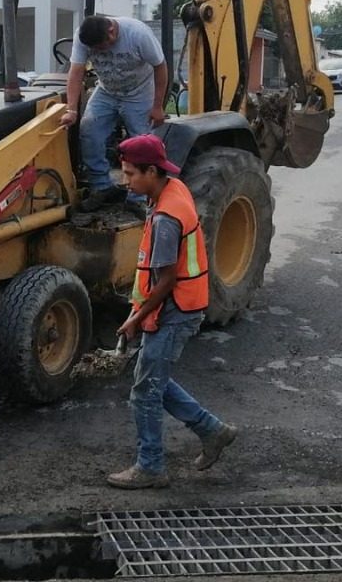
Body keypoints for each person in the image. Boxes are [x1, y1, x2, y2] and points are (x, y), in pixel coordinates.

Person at [108, 134, 237, 489]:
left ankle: (150, 467)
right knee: (153, 381)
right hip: (181, 304)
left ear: (152, 171)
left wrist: (136, 317)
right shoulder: (173, 188)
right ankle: (213, 431)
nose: (126, 181)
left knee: (144, 390)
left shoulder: (166, 217)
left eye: (131, 174)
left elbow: (165, 280)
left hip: (175, 308)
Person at [58, 15, 169, 212]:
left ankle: (138, 198)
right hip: (107, 90)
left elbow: (160, 67)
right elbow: (76, 72)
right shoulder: (82, 37)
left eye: (102, 46)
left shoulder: (138, 34)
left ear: (111, 31)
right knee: (89, 130)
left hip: (139, 92)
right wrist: (71, 109)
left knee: (141, 143)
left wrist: (157, 106)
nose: (99, 51)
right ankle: (102, 187)